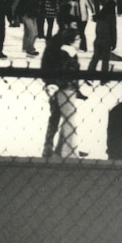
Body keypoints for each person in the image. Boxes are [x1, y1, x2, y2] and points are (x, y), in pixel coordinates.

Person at [41, 28, 83, 159]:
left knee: (61, 117)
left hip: (62, 88)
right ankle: (66, 149)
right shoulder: (65, 52)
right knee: (67, 119)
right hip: (63, 89)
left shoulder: (65, 50)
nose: (80, 40)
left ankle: (59, 147)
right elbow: (65, 72)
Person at [88, 0, 119, 73]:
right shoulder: (111, 17)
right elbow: (113, 30)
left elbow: (97, 28)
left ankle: (89, 74)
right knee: (105, 60)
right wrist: (114, 42)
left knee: (95, 58)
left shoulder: (100, 16)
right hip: (107, 40)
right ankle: (104, 78)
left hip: (98, 39)